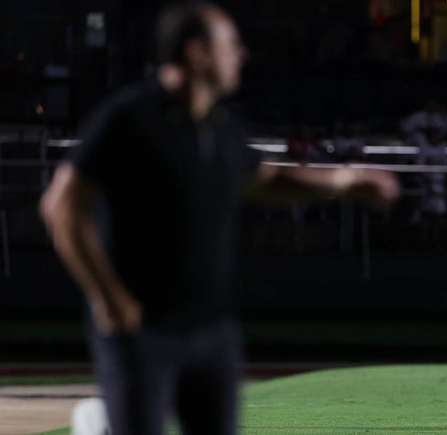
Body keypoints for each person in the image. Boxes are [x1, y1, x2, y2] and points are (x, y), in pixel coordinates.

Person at [38, 3, 399, 435]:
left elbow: (265, 178)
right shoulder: (130, 117)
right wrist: (107, 297)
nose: (241, 55)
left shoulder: (220, 125)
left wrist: (344, 182)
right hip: (141, 329)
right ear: (197, 53)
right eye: (230, 44)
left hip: (212, 331)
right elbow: (61, 205)